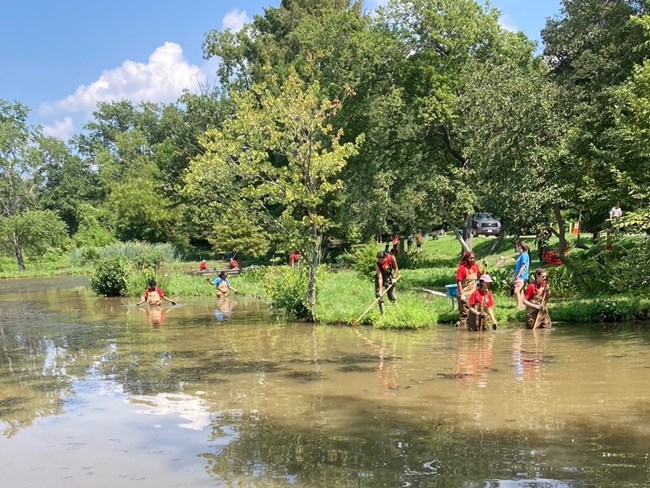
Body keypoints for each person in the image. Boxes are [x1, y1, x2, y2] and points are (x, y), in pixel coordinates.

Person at [455, 251, 482, 329]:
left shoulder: (475, 266)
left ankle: (472, 328)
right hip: (464, 294)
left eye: (473, 258)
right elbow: (458, 282)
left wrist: (484, 269)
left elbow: (480, 275)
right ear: (466, 259)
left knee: (473, 313)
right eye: (470, 258)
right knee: (465, 314)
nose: (472, 260)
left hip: (473, 294)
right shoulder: (462, 269)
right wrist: (462, 294)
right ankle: (463, 330)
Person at [513, 241, 530, 310]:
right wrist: (515, 275)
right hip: (519, 276)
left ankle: (519, 306)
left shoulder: (524, 255)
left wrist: (518, 275)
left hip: (522, 276)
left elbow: (523, 266)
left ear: (520, 247)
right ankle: (522, 306)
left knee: (516, 291)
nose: (515, 248)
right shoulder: (521, 255)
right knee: (520, 291)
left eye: (516, 246)